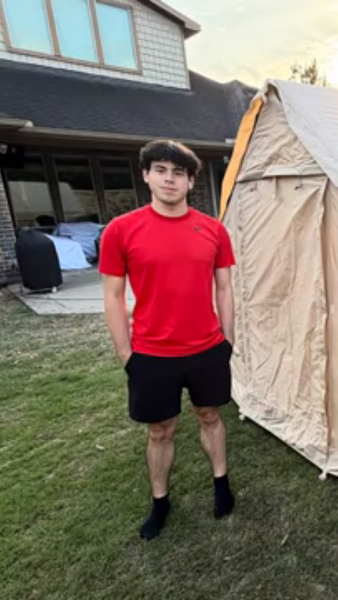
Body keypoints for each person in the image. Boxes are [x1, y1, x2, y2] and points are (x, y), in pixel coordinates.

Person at [99, 140, 236, 540]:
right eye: (161, 170)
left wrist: (227, 339)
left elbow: (225, 288)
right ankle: (161, 501)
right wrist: (125, 353)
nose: (170, 179)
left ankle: (221, 485)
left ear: (191, 181)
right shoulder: (121, 231)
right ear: (146, 175)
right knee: (160, 429)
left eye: (179, 173)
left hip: (207, 348)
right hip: (151, 354)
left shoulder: (213, 230)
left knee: (210, 416)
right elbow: (112, 295)